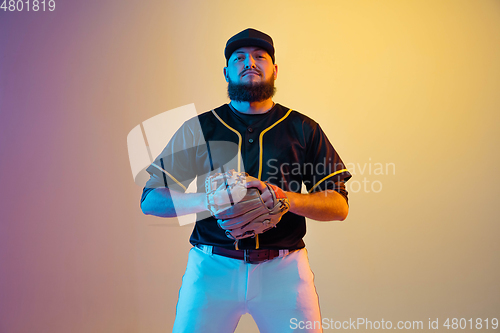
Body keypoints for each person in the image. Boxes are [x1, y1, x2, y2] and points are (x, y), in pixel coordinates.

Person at [140, 28, 352, 333]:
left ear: (275, 70)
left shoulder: (303, 128)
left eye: (259, 57)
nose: (249, 63)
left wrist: (287, 199)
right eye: (239, 58)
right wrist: (209, 202)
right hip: (212, 268)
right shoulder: (199, 127)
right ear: (226, 72)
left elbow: (339, 204)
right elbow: (150, 199)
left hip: (284, 269)